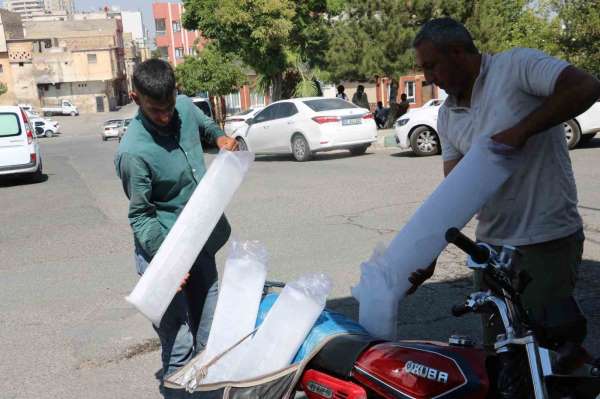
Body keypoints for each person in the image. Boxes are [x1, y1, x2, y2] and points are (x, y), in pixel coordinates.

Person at [406, 18, 600, 350]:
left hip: (546, 240)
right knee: (503, 355)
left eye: (432, 66)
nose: (428, 79)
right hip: (491, 252)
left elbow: (586, 87)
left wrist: (521, 131)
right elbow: (456, 193)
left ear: (457, 52)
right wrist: (429, 252)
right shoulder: (447, 114)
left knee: (551, 354)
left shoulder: (516, 66)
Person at [115, 59, 238, 398]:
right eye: (156, 111)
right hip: (164, 252)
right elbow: (141, 216)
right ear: (135, 97)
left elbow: (205, 124)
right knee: (180, 343)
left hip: (200, 242)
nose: (167, 116)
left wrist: (220, 137)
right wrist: (167, 264)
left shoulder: (182, 107)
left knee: (207, 332)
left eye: (169, 106)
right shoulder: (133, 152)